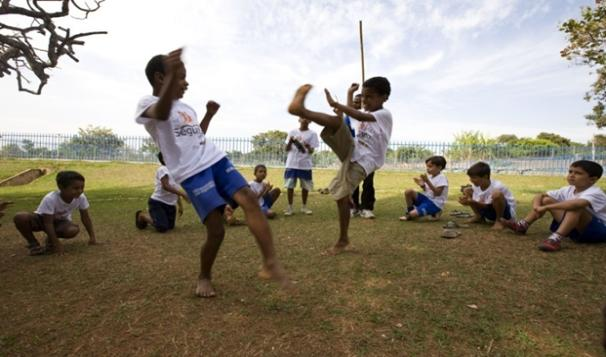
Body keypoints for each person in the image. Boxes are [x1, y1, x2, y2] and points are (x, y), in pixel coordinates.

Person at [135, 48, 288, 297]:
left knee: (249, 198)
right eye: (179, 77)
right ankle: (204, 276)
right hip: (192, 172)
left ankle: (270, 262)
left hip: (214, 158)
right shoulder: (148, 103)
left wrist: (208, 115)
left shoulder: (186, 108)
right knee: (216, 230)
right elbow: (161, 114)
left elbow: (196, 135)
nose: (186, 82)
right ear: (160, 78)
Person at [287, 77, 392, 255]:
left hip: (366, 161)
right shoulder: (364, 114)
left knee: (340, 196)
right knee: (337, 121)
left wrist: (335, 103)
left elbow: (357, 114)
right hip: (352, 150)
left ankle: (343, 240)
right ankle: (302, 111)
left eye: (370, 97)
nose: (365, 101)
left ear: (384, 97)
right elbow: (353, 113)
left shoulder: (383, 114)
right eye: (363, 97)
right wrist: (350, 93)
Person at [503, 160, 606, 252]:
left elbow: (575, 204)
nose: (572, 175)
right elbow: (541, 195)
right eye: (570, 172)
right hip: (576, 230)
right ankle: (523, 225)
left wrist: (546, 208)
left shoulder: (595, 192)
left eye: (578, 173)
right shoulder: (568, 189)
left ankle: (555, 239)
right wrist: (537, 206)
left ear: (592, 179)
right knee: (546, 199)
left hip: (598, 231)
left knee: (574, 207)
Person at [13, 171, 97, 255]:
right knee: (20, 217)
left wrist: (92, 237)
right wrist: (57, 244)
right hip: (42, 220)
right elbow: (48, 223)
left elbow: (85, 217)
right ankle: (34, 245)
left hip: (60, 223)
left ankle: (50, 241)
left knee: (72, 230)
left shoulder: (81, 198)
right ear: (61, 187)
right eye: (75, 188)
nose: (80, 191)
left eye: (82, 187)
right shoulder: (51, 198)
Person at [136, 152, 190, 232]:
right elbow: (166, 186)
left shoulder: (175, 171)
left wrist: (180, 205)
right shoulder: (162, 169)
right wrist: (183, 194)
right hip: (158, 203)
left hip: (170, 205)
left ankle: (155, 215)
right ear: (164, 159)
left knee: (170, 227)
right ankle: (142, 216)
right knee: (162, 227)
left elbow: (175, 189)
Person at [346, 85, 376, 219]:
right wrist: (350, 92)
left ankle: (367, 208)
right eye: (354, 102)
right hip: (353, 155)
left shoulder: (368, 117)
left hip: (368, 155)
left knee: (368, 182)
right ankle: (353, 207)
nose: (357, 104)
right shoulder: (348, 118)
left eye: (360, 102)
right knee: (353, 182)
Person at [458, 161, 516, 230]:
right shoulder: (476, 185)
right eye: (470, 178)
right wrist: (468, 199)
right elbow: (480, 201)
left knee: (497, 195)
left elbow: (487, 205)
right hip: (490, 211)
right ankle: (479, 217)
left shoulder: (497, 186)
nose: (471, 180)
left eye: (474, 177)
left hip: (506, 214)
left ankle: (499, 221)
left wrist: (470, 202)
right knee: (467, 190)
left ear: (485, 176)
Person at [284, 117, 319, 216]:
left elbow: (312, 151)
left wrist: (308, 146)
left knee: (305, 187)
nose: (304, 119)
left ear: (310, 120)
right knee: (290, 186)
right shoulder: (292, 132)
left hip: (305, 164)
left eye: (307, 118)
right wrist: (291, 141)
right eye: (302, 117)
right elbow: (286, 149)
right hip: (291, 163)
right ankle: (290, 207)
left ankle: (304, 207)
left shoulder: (313, 134)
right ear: (299, 119)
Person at [400, 156, 449, 221]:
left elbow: (437, 193)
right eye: (427, 166)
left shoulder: (442, 178)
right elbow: (427, 190)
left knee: (413, 215)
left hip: (435, 203)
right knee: (409, 191)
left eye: (430, 166)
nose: (427, 169)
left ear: (439, 167)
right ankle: (410, 211)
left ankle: (434, 214)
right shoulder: (430, 176)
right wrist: (422, 185)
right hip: (426, 199)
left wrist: (427, 181)